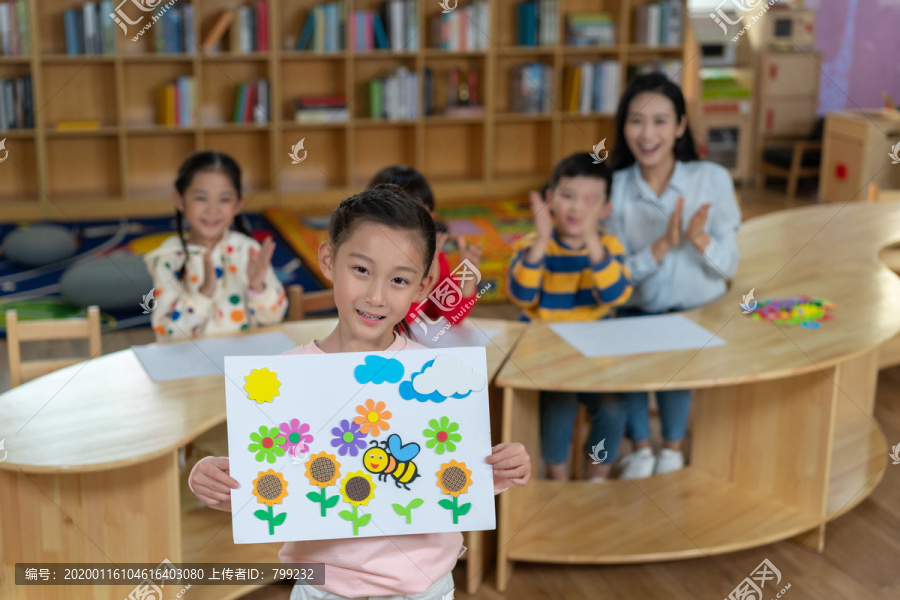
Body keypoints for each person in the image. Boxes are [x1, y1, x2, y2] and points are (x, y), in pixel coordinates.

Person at [188, 186, 532, 600]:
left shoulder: (435, 375)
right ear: (329, 261)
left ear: (423, 288)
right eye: (362, 270)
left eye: (399, 280)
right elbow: (268, 483)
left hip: (423, 588)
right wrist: (214, 477)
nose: (375, 295)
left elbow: (449, 473)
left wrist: (498, 468)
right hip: (323, 589)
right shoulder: (280, 378)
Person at [597, 73, 742, 479]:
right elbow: (618, 277)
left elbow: (729, 267)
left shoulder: (712, 179)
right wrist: (661, 246)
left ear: (680, 126)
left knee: (679, 348)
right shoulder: (616, 188)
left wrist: (699, 239)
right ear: (623, 126)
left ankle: (673, 450)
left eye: (660, 121)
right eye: (636, 120)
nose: (647, 133)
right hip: (636, 312)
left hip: (698, 315)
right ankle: (642, 449)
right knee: (627, 344)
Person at [506, 153, 632, 482]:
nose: (577, 209)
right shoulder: (534, 244)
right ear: (549, 200)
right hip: (546, 357)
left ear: (606, 210)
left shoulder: (608, 246)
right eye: (568, 196)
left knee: (614, 408)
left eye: (590, 201)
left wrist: (592, 242)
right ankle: (557, 478)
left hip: (596, 359)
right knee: (558, 407)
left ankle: (596, 477)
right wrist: (543, 241)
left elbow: (616, 294)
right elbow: (520, 296)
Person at [145, 151, 286, 340]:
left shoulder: (248, 251)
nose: (213, 209)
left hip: (244, 364)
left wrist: (257, 287)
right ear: (180, 200)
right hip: (191, 366)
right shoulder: (169, 258)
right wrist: (203, 295)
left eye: (224, 199)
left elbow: (274, 318)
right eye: (201, 198)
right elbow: (167, 333)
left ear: (238, 204)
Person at [368, 166, 483, 335]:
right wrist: (426, 281)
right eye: (408, 213)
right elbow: (393, 326)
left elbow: (454, 317)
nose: (419, 222)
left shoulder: (436, 255)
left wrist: (467, 282)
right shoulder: (373, 261)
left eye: (425, 212)